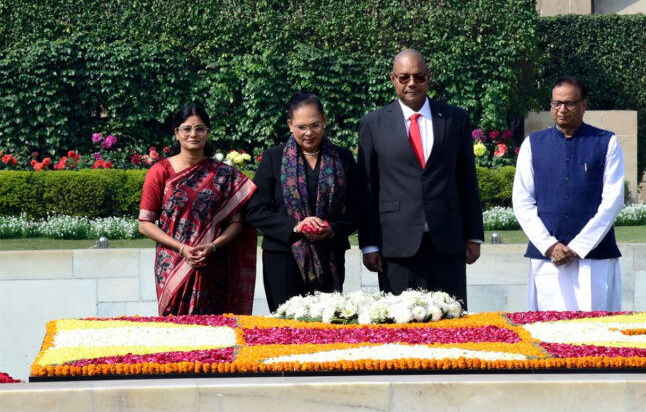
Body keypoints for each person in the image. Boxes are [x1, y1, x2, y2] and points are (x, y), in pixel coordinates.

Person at [357, 49, 484, 307]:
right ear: (393, 79)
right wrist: (369, 245)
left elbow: (467, 180)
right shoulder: (373, 124)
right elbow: (367, 188)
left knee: (452, 321)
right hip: (396, 245)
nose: (411, 83)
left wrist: (474, 235)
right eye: (404, 77)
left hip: (447, 241)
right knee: (401, 322)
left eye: (419, 76)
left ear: (429, 77)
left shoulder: (455, 119)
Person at [512, 76, 625, 312]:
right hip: (547, 257)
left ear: (584, 105)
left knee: (595, 326)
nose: (562, 109)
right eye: (556, 103)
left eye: (569, 103)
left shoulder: (607, 142)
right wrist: (550, 245)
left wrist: (579, 247)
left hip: (594, 258)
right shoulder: (533, 144)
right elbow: (522, 201)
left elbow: (613, 201)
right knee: (548, 326)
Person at [245, 93, 362, 312]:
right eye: (301, 127)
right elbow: (255, 210)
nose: (309, 133)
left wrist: (332, 228)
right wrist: (295, 226)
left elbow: (358, 209)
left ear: (325, 121)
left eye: (315, 125)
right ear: (290, 125)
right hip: (283, 258)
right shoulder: (273, 158)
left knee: (326, 322)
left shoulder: (342, 157)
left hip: (330, 256)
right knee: (286, 325)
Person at [138, 104, 257, 316]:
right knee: (175, 326)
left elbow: (237, 224)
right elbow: (145, 224)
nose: (193, 134)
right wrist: (182, 248)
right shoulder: (160, 171)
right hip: (173, 263)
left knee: (215, 326)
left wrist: (212, 246)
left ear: (208, 133)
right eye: (187, 129)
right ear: (177, 133)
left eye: (200, 129)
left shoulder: (225, 175)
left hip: (212, 262)